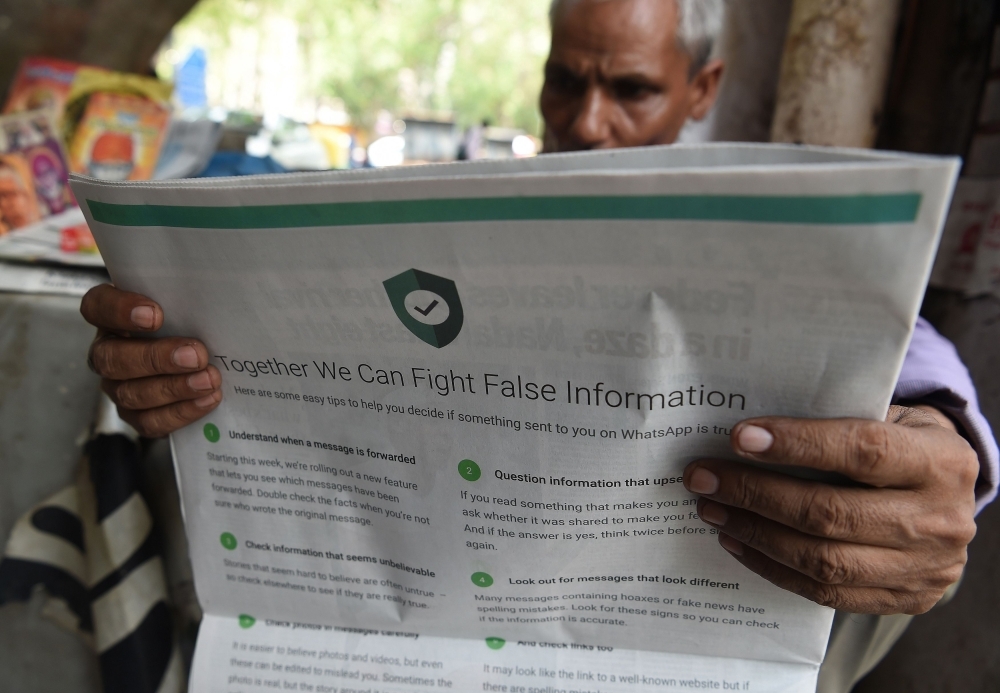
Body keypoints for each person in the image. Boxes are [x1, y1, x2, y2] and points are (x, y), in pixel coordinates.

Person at [79, 0, 997, 689]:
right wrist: (172, 362)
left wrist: (943, 434)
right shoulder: (467, 223)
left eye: (631, 88)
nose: (588, 122)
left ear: (700, 90)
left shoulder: (760, 242)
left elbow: (910, 356)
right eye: (569, 79)